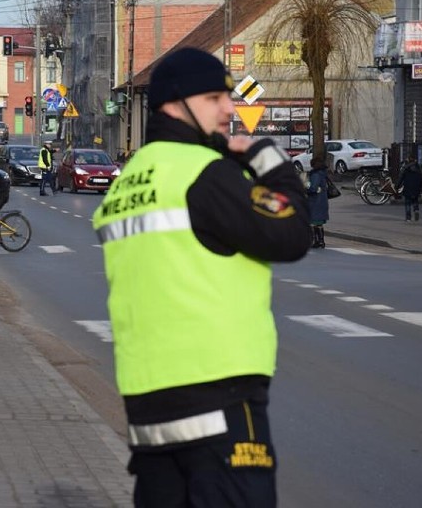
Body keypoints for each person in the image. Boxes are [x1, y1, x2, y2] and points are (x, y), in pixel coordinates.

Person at [92, 47, 311, 507]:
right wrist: (269, 160)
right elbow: (292, 234)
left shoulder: (127, 181)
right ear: (175, 102)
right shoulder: (203, 175)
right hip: (219, 393)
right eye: (215, 97)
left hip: (148, 401)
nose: (229, 109)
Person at [306, 157, 329, 248]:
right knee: (319, 223)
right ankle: (321, 241)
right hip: (322, 200)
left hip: (315, 201)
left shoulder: (315, 174)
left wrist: (306, 189)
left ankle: (314, 241)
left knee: (312, 221)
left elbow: (313, 188)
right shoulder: (323, 173)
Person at [398, 154, 422, 222]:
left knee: (407, 203)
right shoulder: (418, 167)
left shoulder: (405, 168)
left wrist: (397, 186)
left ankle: (408, 217)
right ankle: (416, 210)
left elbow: (400, 178)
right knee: (415, 200)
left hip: (407, 186)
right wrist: (421, 186)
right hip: (416, 187)